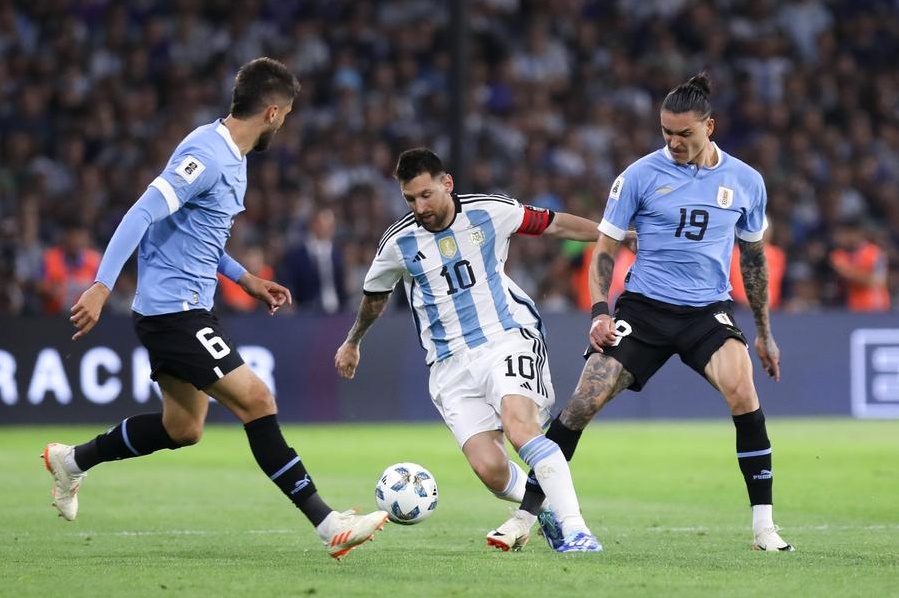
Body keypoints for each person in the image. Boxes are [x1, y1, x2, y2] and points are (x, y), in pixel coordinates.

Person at [43, 57, 387, 560]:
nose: (285, 123)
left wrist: (243, 277)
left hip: (182, 308)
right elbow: (142, 211)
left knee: (182, 428)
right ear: (272, 112)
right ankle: (327, 522)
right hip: (174, 312)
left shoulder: (234, 156)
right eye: (286, 115)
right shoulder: (206, 154)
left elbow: (199, 235)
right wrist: (100, 285)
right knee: (258, 401)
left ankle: (71, 461)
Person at [509, 74, 795, 552]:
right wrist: (601, 310)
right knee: (582, 403)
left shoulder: (747, 181)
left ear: (710, 126)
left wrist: (764, 332)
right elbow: (605, 248)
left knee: (743, 391)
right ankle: (523, 517)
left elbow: (752, 259)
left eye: (685, 134)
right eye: (666, 132)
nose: (674, 142)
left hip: (706, 312)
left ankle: (764, 527)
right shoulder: (639, 175)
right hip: (643, 310)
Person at [334, 147, 602, 553]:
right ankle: (542, 510)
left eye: (426, 194)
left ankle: (576, 528)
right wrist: (353, 341)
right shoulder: (398, 242)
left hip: (506, 336)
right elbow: (375, 297)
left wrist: (614, 236)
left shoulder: (491, 211)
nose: (419, 206)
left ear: (447, 184)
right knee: (492, 471)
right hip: (449, 366)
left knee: (520, 427)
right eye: (410, 198)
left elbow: (555, 225)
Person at [828, 217, 890, 312]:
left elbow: (879, 281)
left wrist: (850, 272)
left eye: (846, 233)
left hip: (876, 305)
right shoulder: (838, 254)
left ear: (857, 233)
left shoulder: (873, 252)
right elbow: (842, 272)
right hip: (853, 307)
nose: (841, 238)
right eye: (840, 234)